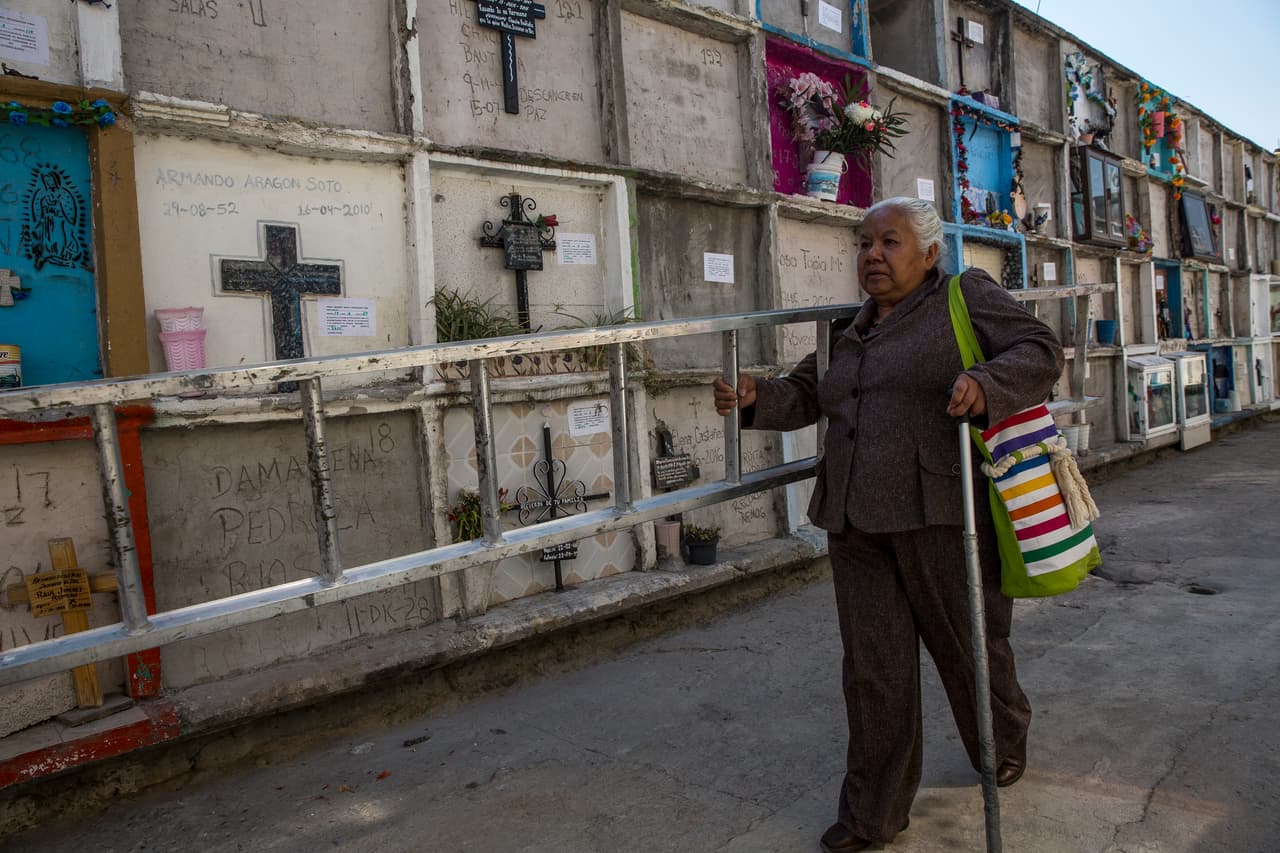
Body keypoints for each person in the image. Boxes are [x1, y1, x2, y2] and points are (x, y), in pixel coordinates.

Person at [713, 197, 1064, 851]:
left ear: (928, 253)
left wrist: (987, 382)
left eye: (889, 242)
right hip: (854, 519)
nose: (872, 254)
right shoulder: (848, 328)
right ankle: (872, 814)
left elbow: (1040, 349)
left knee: (970, 648)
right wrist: (760, 396)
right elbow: (811, 393)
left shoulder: (963, 295)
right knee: (874, 670)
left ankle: (1002, 736)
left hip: (943, 513)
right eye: (864, 243)